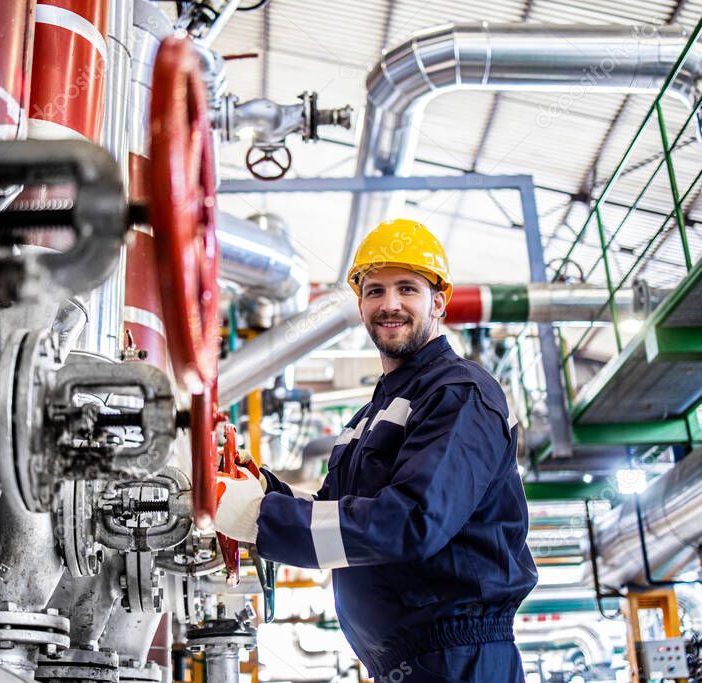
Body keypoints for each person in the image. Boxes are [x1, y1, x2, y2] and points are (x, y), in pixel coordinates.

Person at [214, 219, 538, 682]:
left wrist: (262, 519)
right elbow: (336, 513)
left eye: (407, 289)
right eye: (374, 291)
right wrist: (266, 490)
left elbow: (411, 522)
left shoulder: (458, 395)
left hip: (461, 660)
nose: (389, 305)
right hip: (401, 664)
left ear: (439, 302)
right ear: (361, 305)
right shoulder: (368, 417)